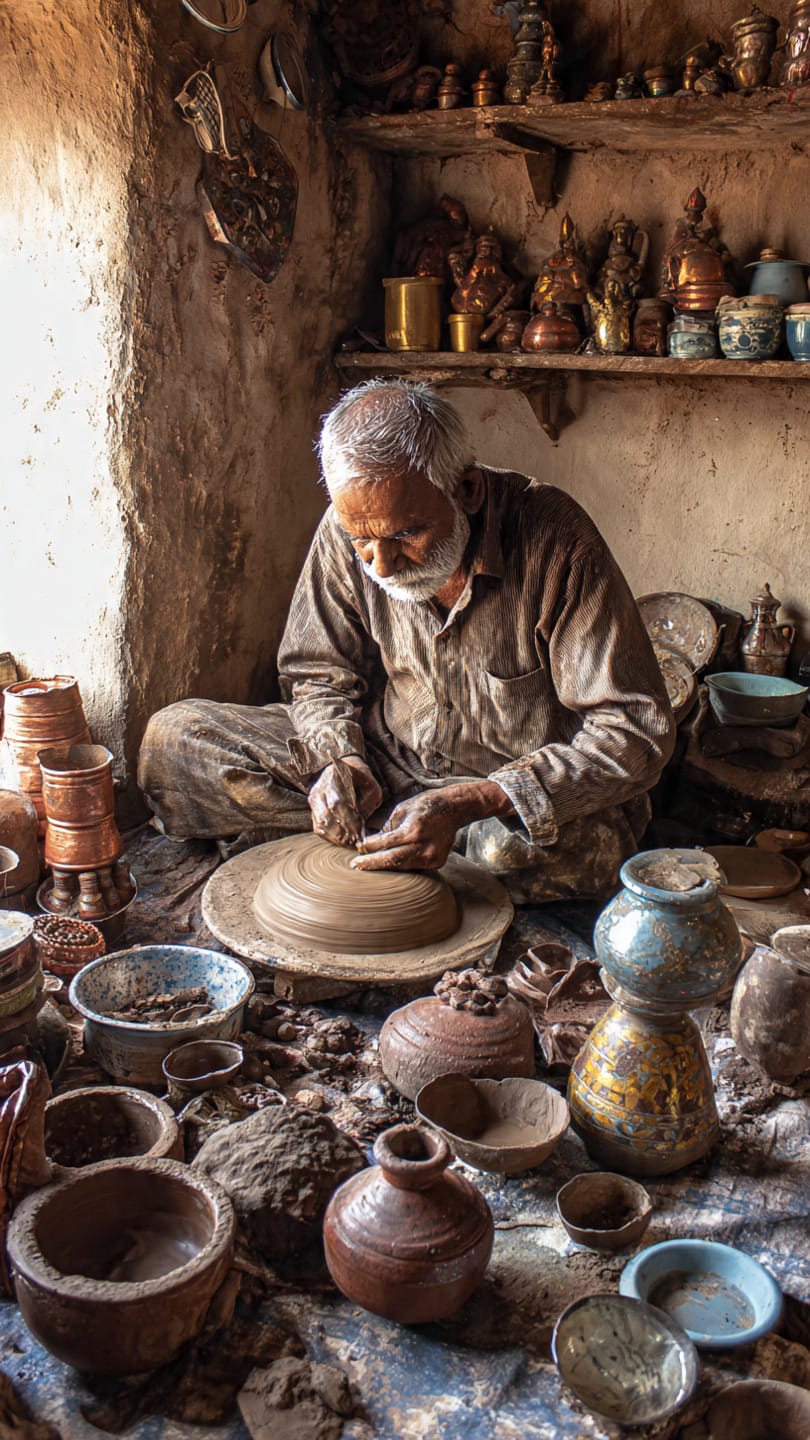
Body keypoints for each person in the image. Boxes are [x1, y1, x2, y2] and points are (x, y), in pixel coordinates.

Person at [138, 380, 675, 902]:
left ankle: (391, 853)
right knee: (175, 742)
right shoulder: (352, 526)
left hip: (501, 795)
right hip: (389, 758)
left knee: (517, 852)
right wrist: (338, 762)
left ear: (464, 490)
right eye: (362, 541)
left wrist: (478, 799)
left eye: (405, 535)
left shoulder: (556, 541)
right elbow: (316, 670)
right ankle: (394, 844)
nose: (381, 563)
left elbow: (634, 730)